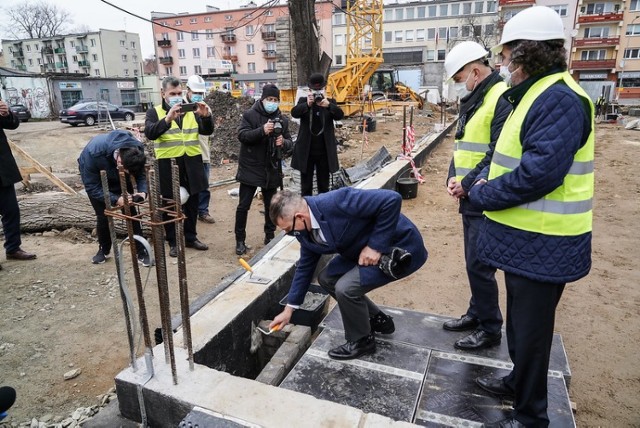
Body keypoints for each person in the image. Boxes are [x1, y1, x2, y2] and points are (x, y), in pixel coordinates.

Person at [468, 6, 594, 427]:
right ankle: (517, 383)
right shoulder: (536, 95)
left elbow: (539, 174)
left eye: (506, 55)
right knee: (521, 327)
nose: (502, 64)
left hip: (546, 240)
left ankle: (530, 417)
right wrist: (482, 179)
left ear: (525, 55)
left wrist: (485, 193)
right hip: (526, 239)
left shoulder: (559, 98)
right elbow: (508, 157)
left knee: (533, 333)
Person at [268, 187, 428, 360]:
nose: (289, 233)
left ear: (300, 217)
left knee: (346, 288)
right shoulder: (303, 230)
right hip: (358, 250)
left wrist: (375, 246)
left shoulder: (336, 202)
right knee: (327, 279)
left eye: (288, 229)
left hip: (396, 246)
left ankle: (362, 341)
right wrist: (289, 310)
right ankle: (376, 319)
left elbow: (392, 199)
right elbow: (305, 267)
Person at [441, 41, 511, 350]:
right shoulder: (474, 99)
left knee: (479, 264)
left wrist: (467, 183)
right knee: (473, 261)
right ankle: (477, 312)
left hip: (484, 195)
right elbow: (463, 144)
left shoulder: (499, 98)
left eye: (458, 80)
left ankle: (490, 328)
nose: (458, 87)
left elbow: (497, 152)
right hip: (469, 195)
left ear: (474, 71)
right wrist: (452, 176)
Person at [144, 76, 214, 257]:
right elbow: (150, 133)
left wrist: (206, 118)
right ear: (163, 93)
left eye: (179, 93)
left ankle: (190, 237)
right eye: (172, 93)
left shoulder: (190, 110)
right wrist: (167, 120)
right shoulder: (155, 112)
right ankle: (173, 241)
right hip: (168, 164)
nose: (177, 97)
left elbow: (207, 131)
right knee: (169, 203)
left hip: (192, 162)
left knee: (192, 202)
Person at [235, 84, 293, 255]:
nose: (272, 103)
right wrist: (262, 131)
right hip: (250, 167)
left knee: (271, 206)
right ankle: (240, 241)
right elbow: (242, 135)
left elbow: (290, 144)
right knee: (243, 206)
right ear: (262, 99)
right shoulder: (249, 115)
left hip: (271, 168)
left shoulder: (282, 119)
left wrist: (283, 142)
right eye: (269, 99)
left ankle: (269, 237)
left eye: (275, 100)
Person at [78, 130, 149, 265]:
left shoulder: (136, 149)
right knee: (103, 215)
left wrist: (142, 192)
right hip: (97, 179)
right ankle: (103, 250)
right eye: (127, 171)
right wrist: (116, 199)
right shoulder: (94, 153)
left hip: (118, 176)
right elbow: (92, 187)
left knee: (131, 212)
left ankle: (141, 251)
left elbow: (140, 173)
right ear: (120, 160)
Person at [290, 73, 344, 196]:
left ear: (324, 89)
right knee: (306, 186)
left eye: (319, 90)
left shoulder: (330, 102)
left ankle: (322, 211)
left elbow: (340, 115)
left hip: (324, 151)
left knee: (324, 187)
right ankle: (307, 211)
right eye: (315, 90)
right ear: (309, 90)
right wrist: (307, 105)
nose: (317, 93)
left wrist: (329, 106)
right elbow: (294, 113)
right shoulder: (303, 101)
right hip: (306, 151)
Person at [0, 98, 36, 270]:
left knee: (11, 211)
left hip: (2, 170)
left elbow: (12, 125)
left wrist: (6, 114)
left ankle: (13, 248)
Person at [184, 75, 216, 225]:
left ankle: (203, 211)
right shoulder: (180, 108)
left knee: (203, 185)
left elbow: (208, 130)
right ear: (188, 90)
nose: (198, 95)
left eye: (200, 93)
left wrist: (205, 116)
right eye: (195, 92)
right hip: (185, 154)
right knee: (186, 186)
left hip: (202, 153)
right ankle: (187, 213)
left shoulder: (205, 108)